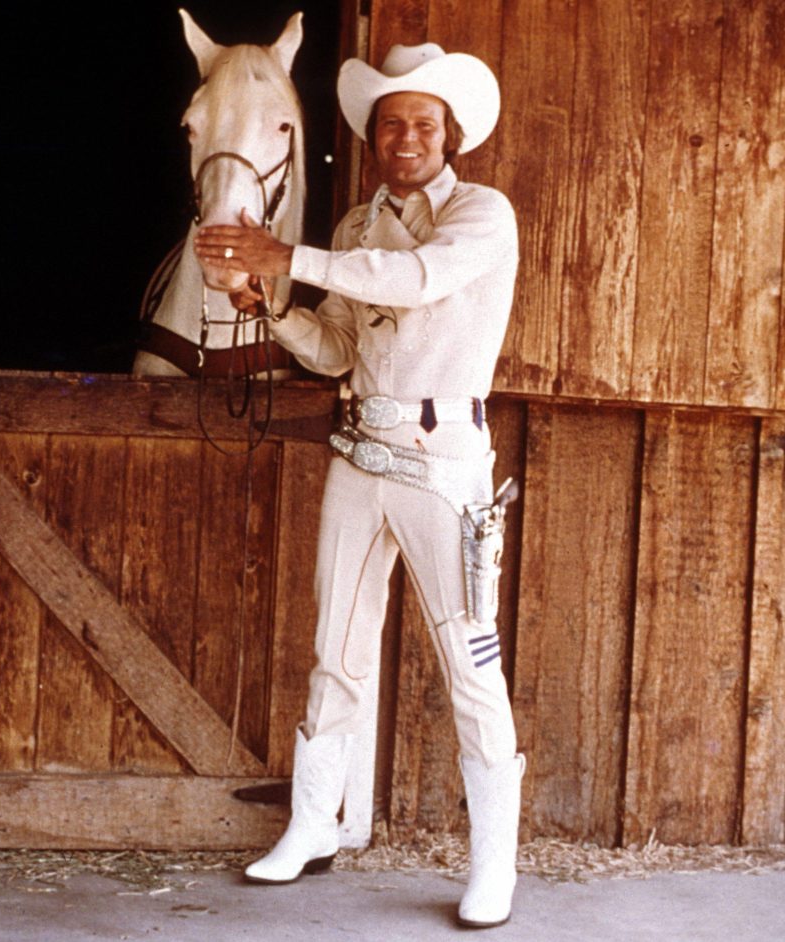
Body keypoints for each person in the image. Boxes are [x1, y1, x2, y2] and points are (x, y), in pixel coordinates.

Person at [194, 41, 523, 929]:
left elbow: (413, 283)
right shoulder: (351, 229)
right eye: (391, 125)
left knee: (469, 665)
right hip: (361, 452)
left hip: (445, 457)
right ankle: (312, 825)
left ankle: (494, 866)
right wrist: (274, 310)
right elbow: (340, 347)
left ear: (449, 136)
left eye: (423, 124)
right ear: (372, 139)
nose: (406, 137)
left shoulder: (483, 216)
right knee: (334, 653)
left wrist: (279, 254)